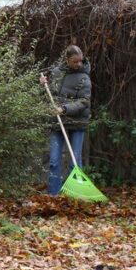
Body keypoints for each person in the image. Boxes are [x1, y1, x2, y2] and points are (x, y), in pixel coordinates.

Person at [39, 45, 91, 196]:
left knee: (75, 161)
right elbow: (50, 95)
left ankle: (76, 195)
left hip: (77, 122)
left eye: (80, 61)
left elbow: (84, 102)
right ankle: (53, 195)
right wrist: (43, 86)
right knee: (54, 160)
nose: (79, 64)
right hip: (58, 121)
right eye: (75, 62)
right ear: (67, 60)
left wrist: (65, 109)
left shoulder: (84, 77)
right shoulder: (57, 73)